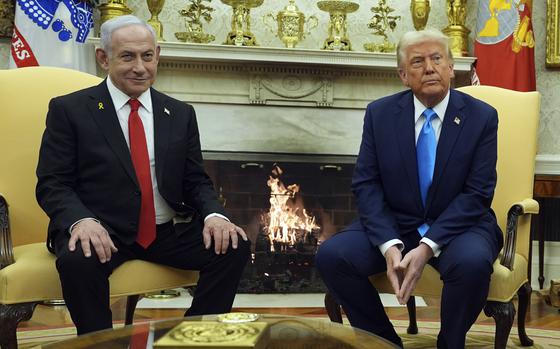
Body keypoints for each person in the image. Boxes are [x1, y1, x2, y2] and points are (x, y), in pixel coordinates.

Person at [36, 15, 250, 335]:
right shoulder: (70, 110)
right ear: (103, 58)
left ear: (157, 55)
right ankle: (100, 343)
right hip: (101, 228)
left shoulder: (179, 113)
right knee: (77, 261)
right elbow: (53, 182)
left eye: (147, 56)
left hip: (164, 232)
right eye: (128, 56)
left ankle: (194, 336)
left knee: (234, 244)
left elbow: (194, 180)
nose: (140, 67)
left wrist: (214, 215)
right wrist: (82, 220)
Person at [316, 28, 502, 349]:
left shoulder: (481, 117)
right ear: (403, 75)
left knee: (471, 263)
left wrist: (428, 245)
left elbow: (478, 193)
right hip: (397, 222)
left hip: (460, 225)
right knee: (333, 256)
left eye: (436, 59)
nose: (429, 67)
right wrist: (389, 245)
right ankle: (384, 342)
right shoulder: (381, 114)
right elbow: (367, 183)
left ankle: (450, 342)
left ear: (450, 67)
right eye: (417, 61)